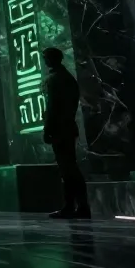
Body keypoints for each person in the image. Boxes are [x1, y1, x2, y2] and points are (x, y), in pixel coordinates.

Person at [42, 47, 90, 219]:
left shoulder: (55, 79)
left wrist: (48, 128)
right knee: (69, 167)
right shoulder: (67, 78)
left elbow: (52, 107)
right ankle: (76, 206)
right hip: (67, 127)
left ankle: (75, 206)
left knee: (68, 169)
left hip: (60, 129)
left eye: (45, 57)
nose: (44, 60)